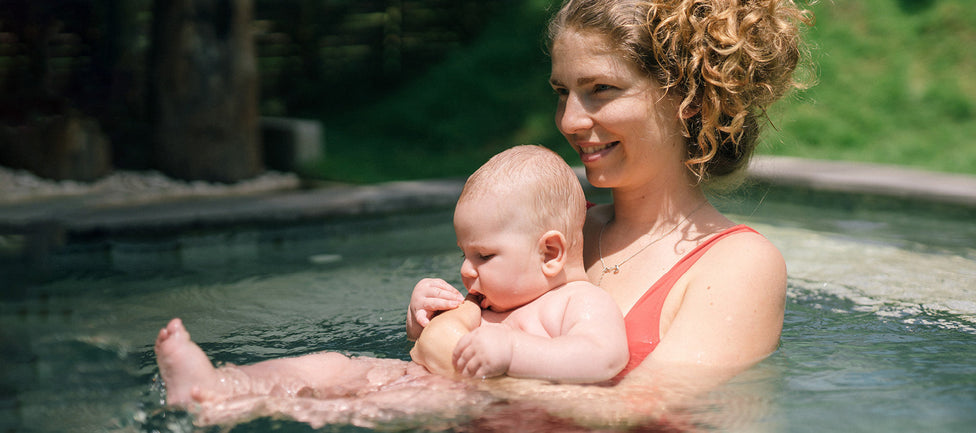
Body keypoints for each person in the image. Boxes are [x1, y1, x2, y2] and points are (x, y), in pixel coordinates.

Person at [459, 0, 811, 423]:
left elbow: (627, 412)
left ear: (688, 99)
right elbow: (445, 333)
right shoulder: (552, 232)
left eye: (601, 89)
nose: (569, 120)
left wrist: (467, 366)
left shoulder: (739, 265)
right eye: (561, 92)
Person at [153, 145, 629, 411]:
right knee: (329, 364)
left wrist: (511, 351)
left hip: (460, 398)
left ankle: (244, 406)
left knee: (360, 405)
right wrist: (419, 317)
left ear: (550, 252)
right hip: (410, 372)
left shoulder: (577, 302)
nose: (466, 270)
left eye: (483, 255)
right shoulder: (490, 298)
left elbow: (603, 357)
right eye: (464, 254)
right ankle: (219, 382)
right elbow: (426, 345)